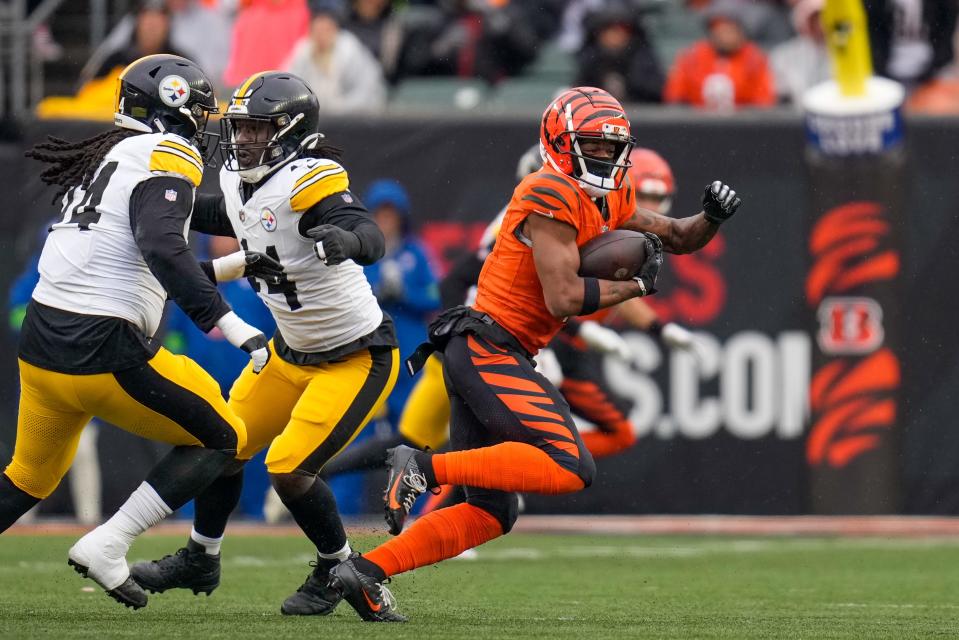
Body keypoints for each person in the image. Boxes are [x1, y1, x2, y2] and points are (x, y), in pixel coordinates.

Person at [326, 86, 743, 621]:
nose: (604, 158)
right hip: (487, 344)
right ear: (560, 143)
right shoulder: (547, 192)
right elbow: (563, 297)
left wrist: (711, 216)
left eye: (611, 147)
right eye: (591, 146)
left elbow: (679, 235)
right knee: (570, 464)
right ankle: (423, 469)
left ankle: (364, 572)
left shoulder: (610, 192)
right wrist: (635, 287)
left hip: (496, 348)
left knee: (489, 512)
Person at [1, 54, 279, 609]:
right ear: (173, 109)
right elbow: (161, 243)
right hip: (103, 347)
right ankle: (110, 542)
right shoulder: (168, 152)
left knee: (28, 479)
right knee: (224, 436)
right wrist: (227, 320)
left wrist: (258, 236)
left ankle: (126, 543)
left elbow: (168, 228)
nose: (205, 126)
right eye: (200, 112)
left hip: (42, 345)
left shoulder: (117, 157)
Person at [130, 71, 400, 617]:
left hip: (354, 355)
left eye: (257, 129)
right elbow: (208, 210)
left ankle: (343, 571)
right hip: (288, 352)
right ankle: (201, 556)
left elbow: (368, 233)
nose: (244, 140)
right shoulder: (238, 182)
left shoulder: (310, 179)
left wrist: (346, 240)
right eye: (241, 129)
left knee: (289, 469)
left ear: (292, 132)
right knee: (223, 442)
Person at [320, 146, 701, 481]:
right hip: (484, 344)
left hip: (487, 342)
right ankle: (327, 473)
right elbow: (474, 283)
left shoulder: (570, 212)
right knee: (469, 445)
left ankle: (330, 474)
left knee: (457, 445)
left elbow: (548, 293)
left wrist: (592, 331)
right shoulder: (531, 216)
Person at [362, 179, 439, 429]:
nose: (385, 220)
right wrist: (375, 295)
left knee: (413, 428)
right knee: (374, 433)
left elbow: (436, 295)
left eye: (390, 214)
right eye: (380, 214)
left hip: (412, 353)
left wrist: (404, 295)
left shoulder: (416, 253)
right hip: (374, 355)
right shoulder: (361, 256)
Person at [664, 0, 776, 110]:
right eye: (719, 28)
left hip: (743, 124)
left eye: (730, 29)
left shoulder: (754, 59)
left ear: (741, 32)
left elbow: (763, 103)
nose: (725, 34)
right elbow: (675, 97)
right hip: (697, 123)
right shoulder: (692, 56)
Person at [283, 0, 387, 114]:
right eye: (318, 28)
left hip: (350, 118)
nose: (322, 34)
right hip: (313, 117)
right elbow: (287, 86)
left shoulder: (349, 49)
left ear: (335, 28)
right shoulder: (303, 50)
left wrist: (339, 110)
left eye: (326, 28)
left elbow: (368, 90)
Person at [574, 2, 663, 104]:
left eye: (622, 30)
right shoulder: (591, 61)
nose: (615, 36)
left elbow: (655, 93)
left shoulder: (644, 60)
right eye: (609, 30)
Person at [769, 0, 831, 107]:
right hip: (794, 118)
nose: (821, 23)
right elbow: (779, 94)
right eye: (815, 19)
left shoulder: (843, 53)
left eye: (825, 17)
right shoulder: (782, 55)